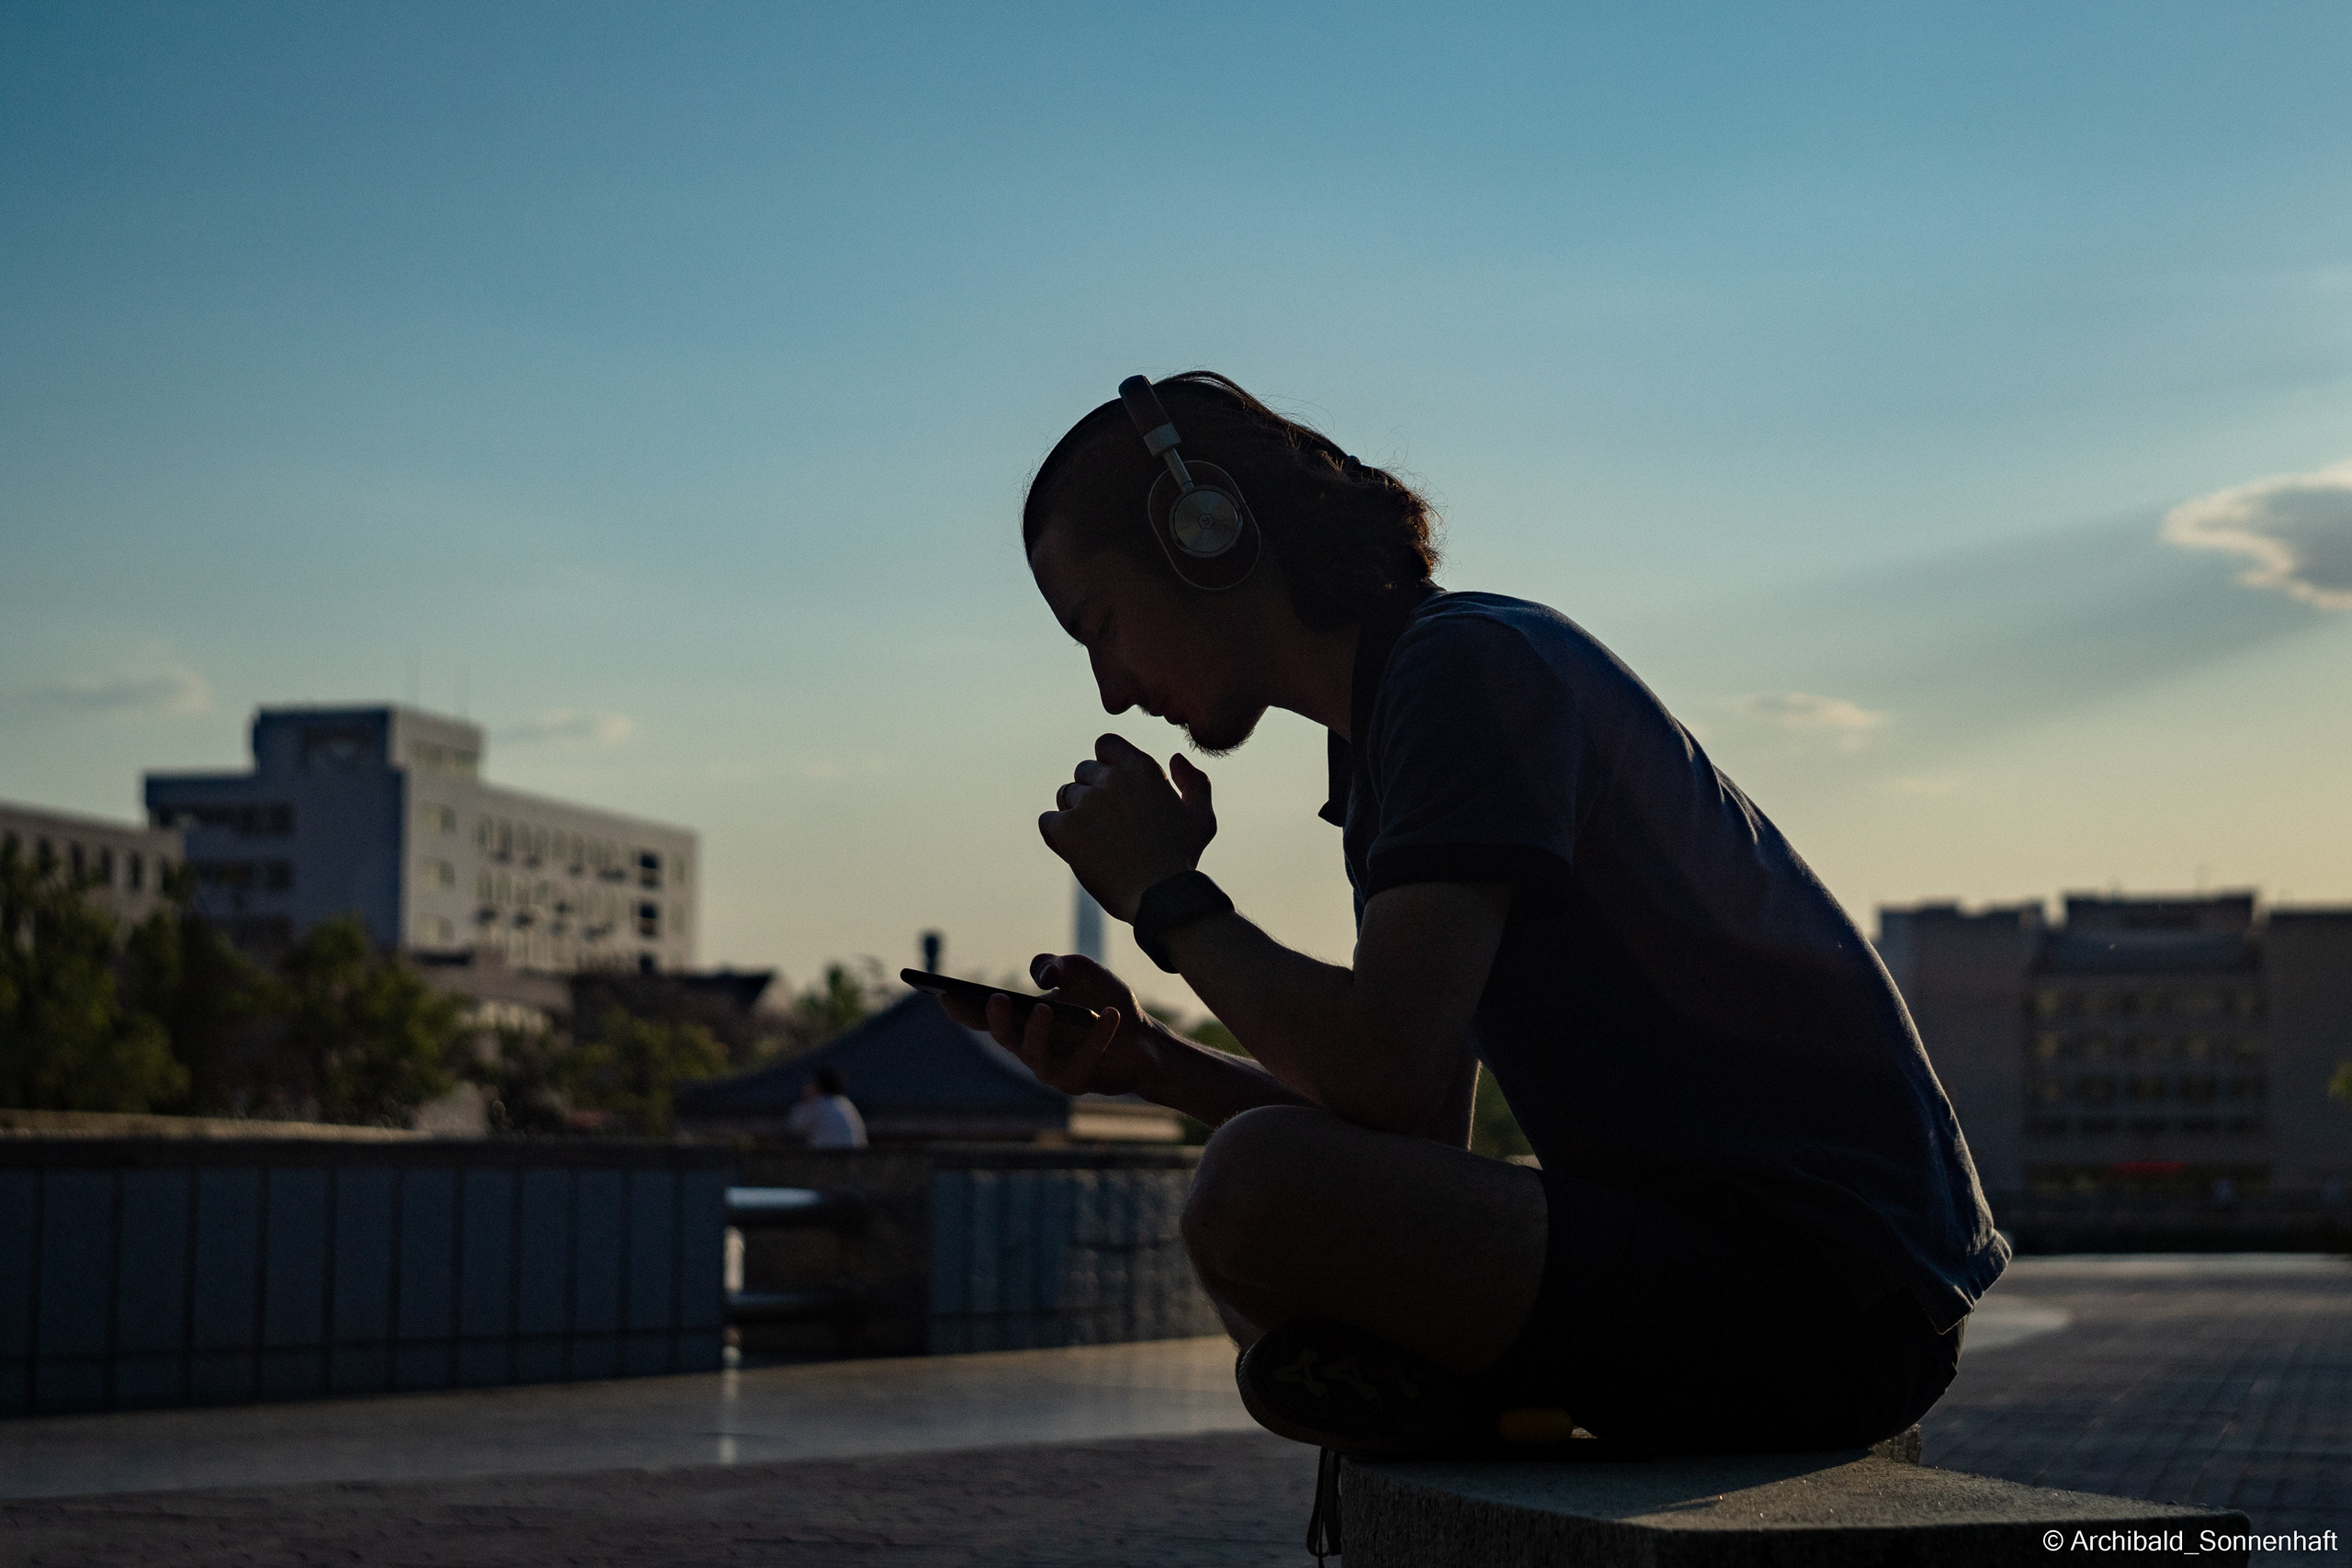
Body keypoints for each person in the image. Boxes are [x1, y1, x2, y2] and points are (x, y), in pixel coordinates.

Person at [942, 370, 2006, 1467]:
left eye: (1102, 627)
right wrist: (1157, 1068)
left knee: (1254, 1191)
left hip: (1828, 1296)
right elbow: (1407, 1135)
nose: (1111, 690)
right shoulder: (1393, 723)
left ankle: (1461, 1426)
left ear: (1203, 537)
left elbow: (1388, 1074)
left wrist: (1168, 896)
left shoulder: (1465, 671)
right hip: (1765, 1283)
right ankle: (1469, 1433)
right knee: (1266, 1197)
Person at [786, 1066, 866, 1149]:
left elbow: (794, 1124)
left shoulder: (818, 1104)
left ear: (818, 1086)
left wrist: (806, 1099)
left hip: (830, 1159)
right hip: (854, 1158)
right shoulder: (846, 1103)